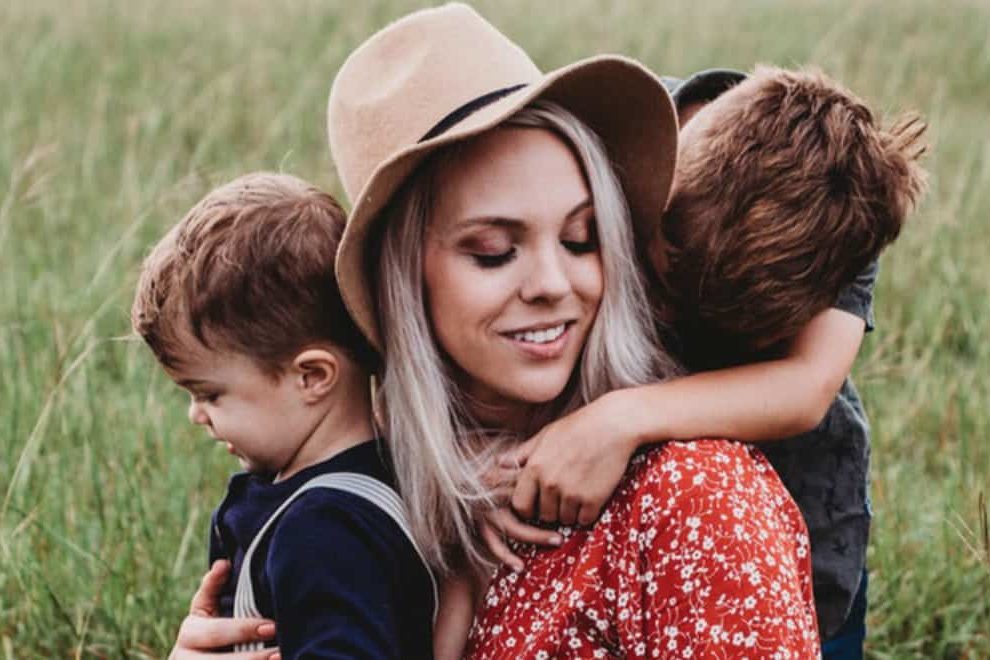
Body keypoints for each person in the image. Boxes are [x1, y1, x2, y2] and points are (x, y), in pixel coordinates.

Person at [164, 5, 818, 658]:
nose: (552, 283)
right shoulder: (360, 502)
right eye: (494, 252)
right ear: (402, 284)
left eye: (580, 238)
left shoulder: (691, 496)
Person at [499, 66, 926, 658]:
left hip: (806, 521)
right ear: (664, 175)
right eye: (666, 276)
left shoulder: (842, 204)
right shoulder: (610, 134)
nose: (665, 311)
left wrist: (619, 419)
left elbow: (807, 386)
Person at [132, 173, 435, 659]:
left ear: (312, 376)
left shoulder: (323, 530)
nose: (196, 415)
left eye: (210, 394)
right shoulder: (382, 481)